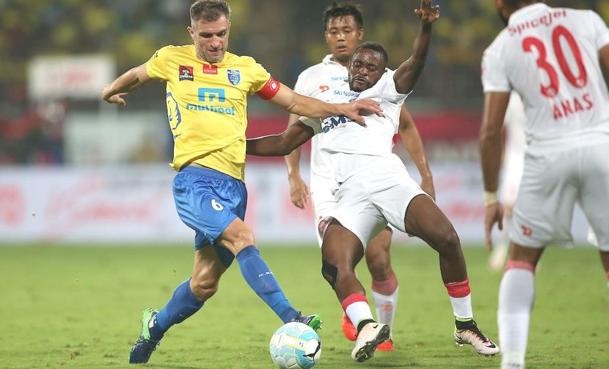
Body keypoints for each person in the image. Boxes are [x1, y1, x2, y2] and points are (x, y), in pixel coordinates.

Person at [101, 0, 382, 365]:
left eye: (221, 34)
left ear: (229, 30)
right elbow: (138, 75)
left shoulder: (245, 69)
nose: (215, 43)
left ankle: (153, 327)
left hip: (234, 185)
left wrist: (341, 108)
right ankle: (292, 317)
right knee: (243, 238)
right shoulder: (173, 59)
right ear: (192, 33)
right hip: (194, 182)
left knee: (204, 284)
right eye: (206, 36)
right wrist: (110, 90)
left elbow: (294, 101)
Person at [247, 0, 499, 362]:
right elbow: (284, 141)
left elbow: (415, 64)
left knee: (447, 238)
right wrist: (236, 146)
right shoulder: (327, 104)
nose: (362, 70)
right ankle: (367, 326)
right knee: (333, 263)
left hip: (387, 181)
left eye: (370, 66)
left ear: (382, 72)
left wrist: (426, 28)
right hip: (345, 194)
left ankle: (465, 324)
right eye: (358, 64)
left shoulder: (388, 91)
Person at [480, 1, 609, 369]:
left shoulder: (499, 48)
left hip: (547, 155)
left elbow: (489, 132)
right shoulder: (587, 19)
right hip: (602, 146)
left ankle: (512, 363)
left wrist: (490, 197)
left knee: (520, 261)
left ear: (500, 3)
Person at [283, 2, 435, 351]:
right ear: (325, 36)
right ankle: (360, 315)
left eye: (347, 31)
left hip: (371, 179)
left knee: (379, 259)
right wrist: (293, 174)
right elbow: (293, 128)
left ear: (360, 33)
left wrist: (424, 174)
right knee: (337, 263)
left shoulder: (379, 75)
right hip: (327, 185)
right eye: (334, 32)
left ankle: (383, 333)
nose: (340, 37)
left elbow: (407, 125)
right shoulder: (310, 78)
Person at [488, 91, 527, 271]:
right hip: (515, 160)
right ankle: (501, 248)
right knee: (508, 206)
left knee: (527, 209)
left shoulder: (541, 95)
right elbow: (497, 128)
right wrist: (501, 153)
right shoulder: (513, 99)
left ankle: (525, 250)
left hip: (537, 160)